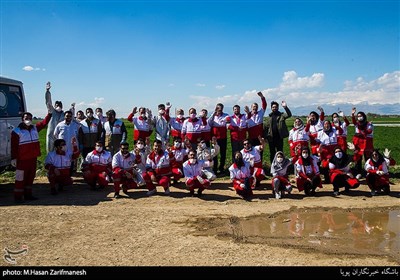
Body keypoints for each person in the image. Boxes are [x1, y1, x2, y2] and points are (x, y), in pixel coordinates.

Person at [11, 112, 52, 202]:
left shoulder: (34, 128)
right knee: (20, 178)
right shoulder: (16, 132)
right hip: (22, 160)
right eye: (26, 118)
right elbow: (14, 146)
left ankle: (28, 195)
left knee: (30, 177)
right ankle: (18, 197)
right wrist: (13, 158)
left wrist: (49, 114)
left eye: (30, 118)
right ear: (22, 119)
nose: (28, 120)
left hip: (33, 158)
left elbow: (43, 123)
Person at [351, 108, 374, 178]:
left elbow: (369, 131)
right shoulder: (356, 124)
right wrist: (352, 114)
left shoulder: (369, 124)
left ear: (364, 116)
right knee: (358, 157)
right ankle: (359, 172)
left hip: (366, 142)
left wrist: (363, 132)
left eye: (360, 116)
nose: (359, 117)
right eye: (358, 116)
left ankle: (369, 171)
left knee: (368, 157)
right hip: (358, 142)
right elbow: (354, 121)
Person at [209, 103, 230, 176]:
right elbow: (209, 122)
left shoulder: (226, 115)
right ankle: (214, 169)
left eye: (221, 108)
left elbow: (228, 122)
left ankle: (221, 169)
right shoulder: (212, 116)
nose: (219, 110)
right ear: (215, 108)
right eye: (218, 108)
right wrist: (213, 114)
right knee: (214, 154)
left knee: (223, 154)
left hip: (223, 137)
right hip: (215, 138)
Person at [244, 91, 267, 155]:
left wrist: (262, 97)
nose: (255, 108)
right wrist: (248, 113)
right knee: (252, 152)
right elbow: (247, 121)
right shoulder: (247, 115)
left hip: (259, 137)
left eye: (256, 106)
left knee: (260, 151)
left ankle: (260, 164)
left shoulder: (260, 113)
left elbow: (264, 105)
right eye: (254, 106)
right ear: (251, 108)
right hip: (251, 137)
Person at [45, 82, 65, 152]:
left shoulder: (64, 114)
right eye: (57, 105)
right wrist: (47, 91)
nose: (58, 106)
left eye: (60, 105)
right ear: (54, 105)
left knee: (60, 152)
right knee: (50, 151)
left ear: (62, 106)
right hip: (51, 135)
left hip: (60, 136)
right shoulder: (52, 111)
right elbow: (48, 102)